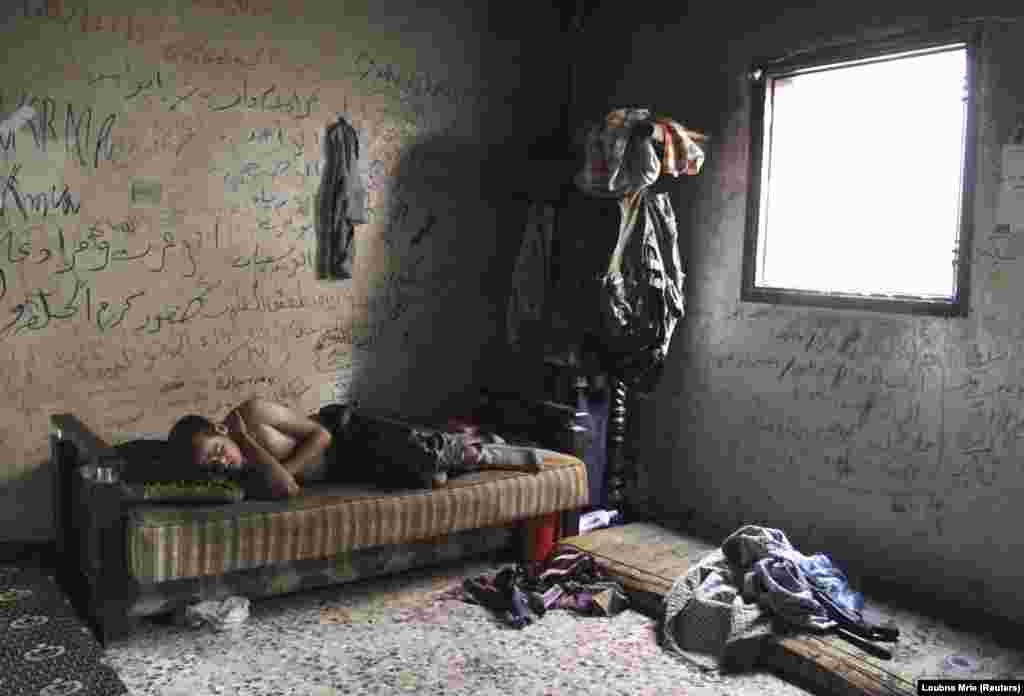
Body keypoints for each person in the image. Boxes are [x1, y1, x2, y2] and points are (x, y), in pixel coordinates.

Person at [167, 397, 332, 499]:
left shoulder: (253, 412)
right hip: (334, 472)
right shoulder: (229, 476)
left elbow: (322, 435)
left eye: (218, 450)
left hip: (341, 434)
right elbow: (287, 488)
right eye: (213, 466)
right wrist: (244, 440)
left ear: (221, 429)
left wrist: (282, 474)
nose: (223, 463)